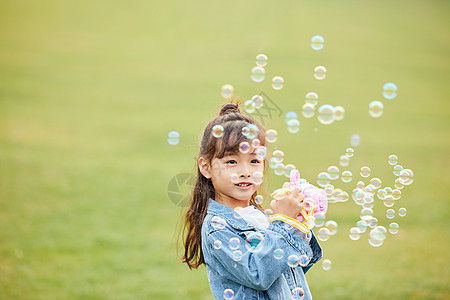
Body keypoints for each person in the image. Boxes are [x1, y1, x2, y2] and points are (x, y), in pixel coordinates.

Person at [180, 102, 322, 299]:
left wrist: (296, 225)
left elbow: (289, 273)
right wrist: (282, 224)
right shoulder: (217, 228)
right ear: (206, 167)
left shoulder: (259, 216)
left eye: (254, 161)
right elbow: (258, 275)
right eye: (231, 161)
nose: (245, 172)